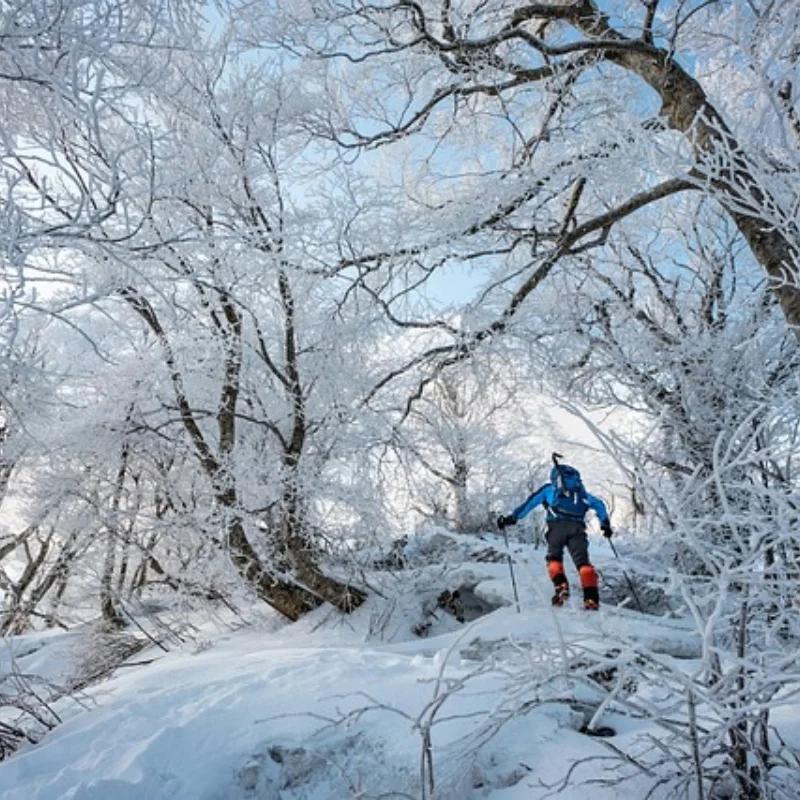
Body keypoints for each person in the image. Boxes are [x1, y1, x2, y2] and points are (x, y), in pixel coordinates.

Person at [497, 459, 613, 610]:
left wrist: (512, 518)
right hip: (577, 529)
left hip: (556, 527)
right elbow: (599, 504)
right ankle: (591, 598)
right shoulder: (580, 493)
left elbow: (530, 503)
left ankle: (561, 586)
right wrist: (605, 524)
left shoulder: (549, 490)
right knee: (583, 563)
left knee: (554, 558)